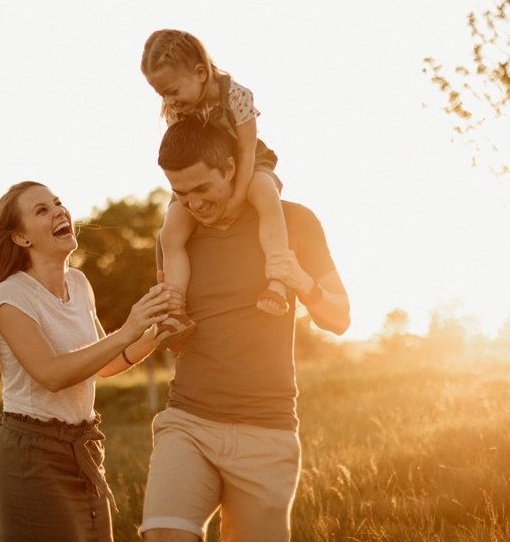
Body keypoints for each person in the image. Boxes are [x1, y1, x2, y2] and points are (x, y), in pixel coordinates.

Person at [138, 116, 351, 542]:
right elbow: (176, 335)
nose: (193, 203)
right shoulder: (176, 235)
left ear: (232, 168)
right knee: (163, 535)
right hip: (190, 421)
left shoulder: (296, 221)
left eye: (203, 188)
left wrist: (303, 283)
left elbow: (340, 317)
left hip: (266, 429)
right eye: (180, 193)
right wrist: (157, 324)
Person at [0, 181, 187, 542]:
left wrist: (152, 336)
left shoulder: (80, 282)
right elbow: (51, 375)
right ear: (21, 238)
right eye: (41, 210)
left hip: (82, 448)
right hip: (32, 453)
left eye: (57, 203)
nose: (59, 210)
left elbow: (103, 363)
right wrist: (127, 329)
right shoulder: (10, 295)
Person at [142, 29, 304, 316]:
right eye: (162, 94)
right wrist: (186, 199)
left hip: (248, 160)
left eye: (174, 91)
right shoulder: (175, 110)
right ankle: (174, 307)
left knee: (265, 195)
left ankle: (278, 281)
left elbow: (246, 150)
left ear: (201, 72)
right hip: (203, 173)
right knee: (170, 232)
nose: (170, 100)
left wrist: (238, 196)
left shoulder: (237, 96)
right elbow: (182, 157)